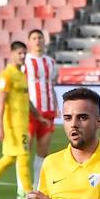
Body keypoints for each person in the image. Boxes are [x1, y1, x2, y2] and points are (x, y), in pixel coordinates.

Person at [0, 41, 46, 199]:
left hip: (23, 122)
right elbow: (1, 103)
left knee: (9, 158)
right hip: (12, 125)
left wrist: (37, 115)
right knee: (23, 156)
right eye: (19, 53)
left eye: (24, 53)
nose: (22, 56)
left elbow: (26, 99)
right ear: (12, 53)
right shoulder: (6, 75)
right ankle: (29, 194)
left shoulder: (21, 74)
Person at [24, 29, 58, 188]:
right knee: (25, 151)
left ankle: (37, 185)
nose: (37, 41)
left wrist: (57, 106)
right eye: (34, 38)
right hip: (30, 112)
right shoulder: (25, 62)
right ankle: (22, 187)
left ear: (44, 41)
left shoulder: (51, 62)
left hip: (48, 111)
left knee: (43, 152)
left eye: (40, 38)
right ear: (29, 42)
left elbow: (52, 86)